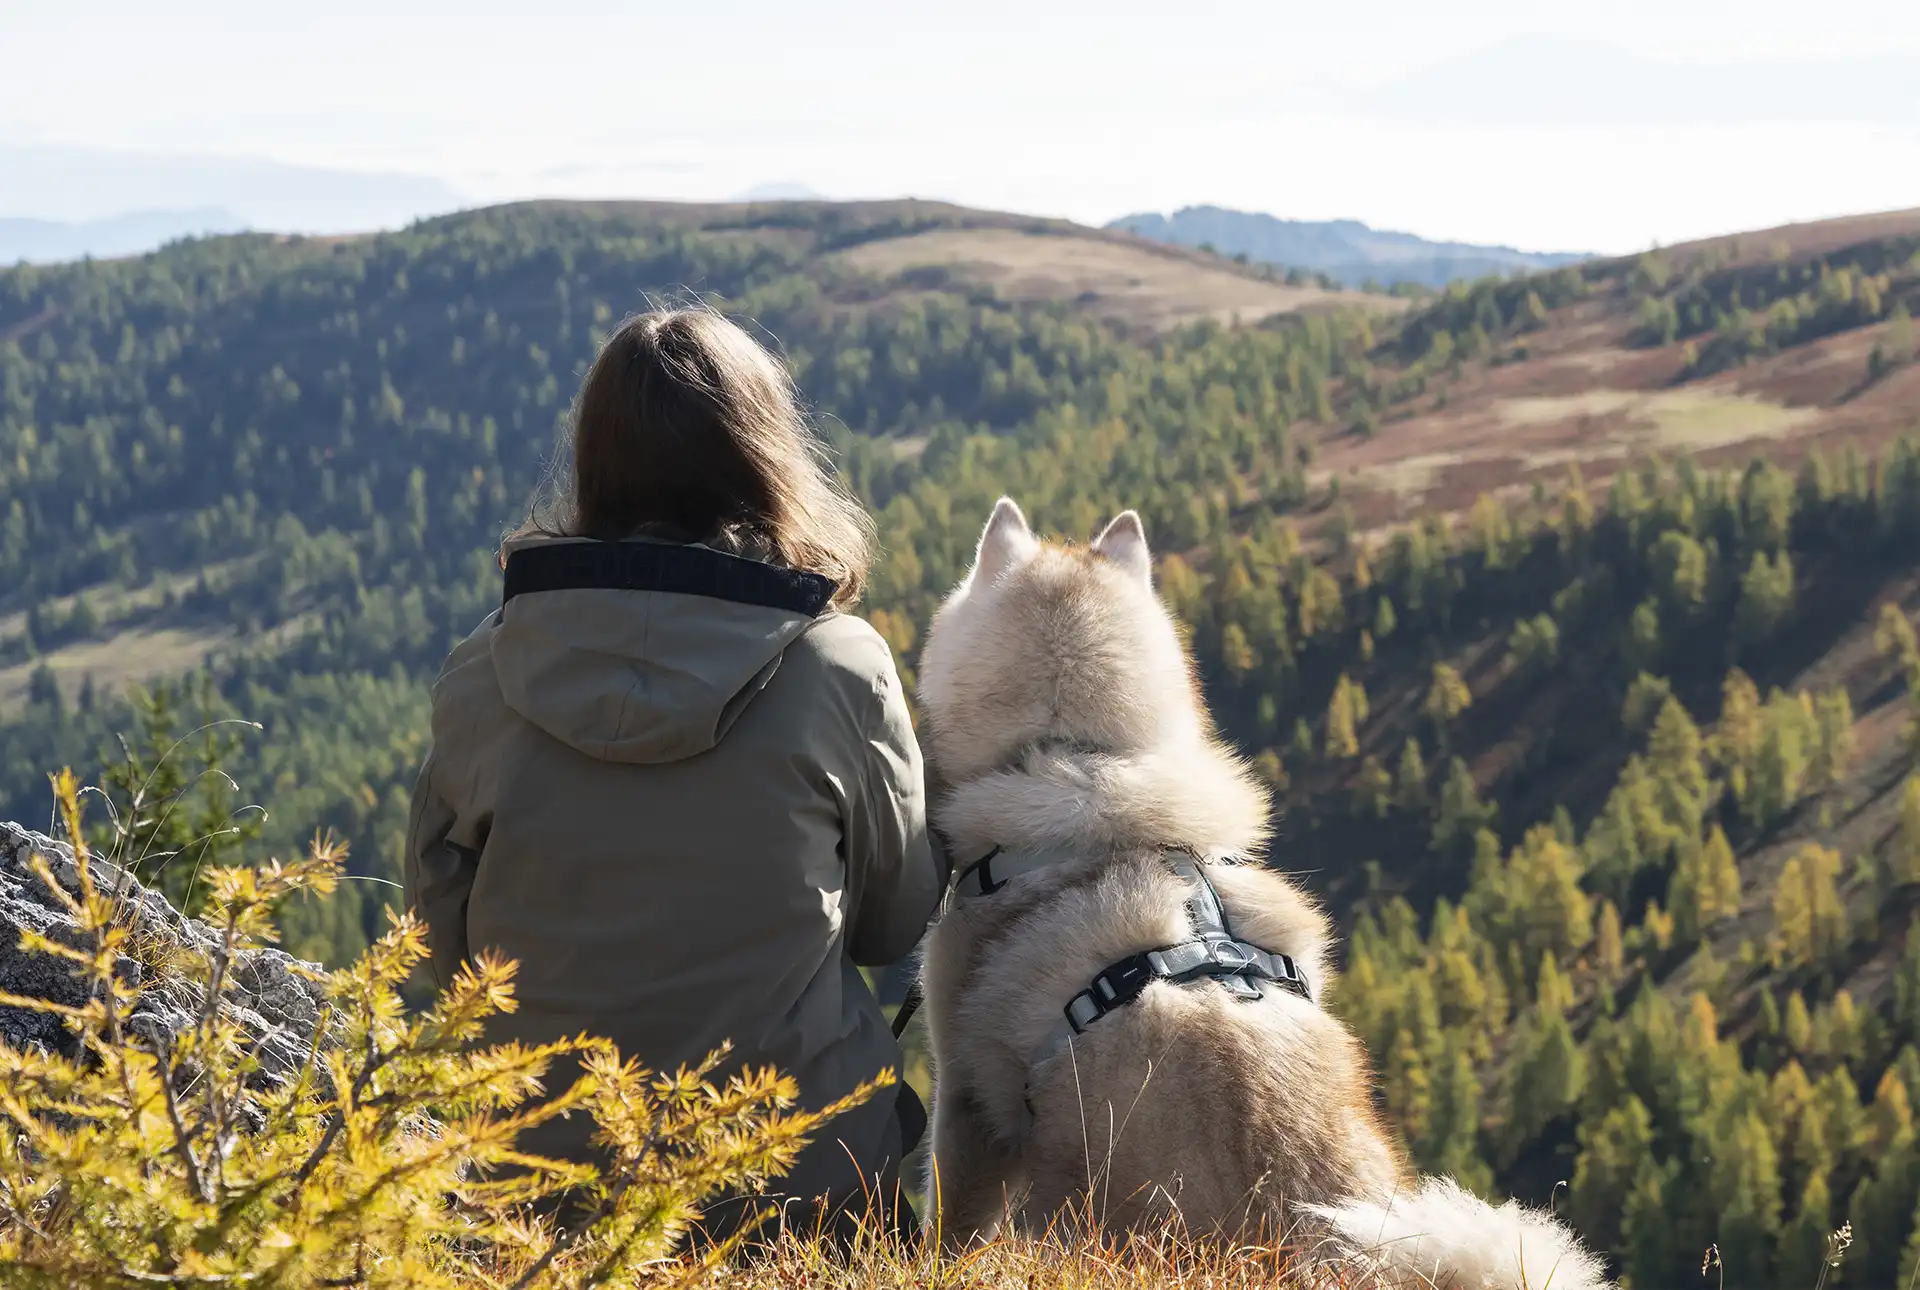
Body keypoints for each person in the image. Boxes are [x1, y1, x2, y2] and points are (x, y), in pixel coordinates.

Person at [404, 306, 944, 1244]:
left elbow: (439, 941)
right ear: (767, 460)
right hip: (792, 1194)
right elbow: (892, 925)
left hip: (531, 1201)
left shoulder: (482, 670)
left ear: (595, 466)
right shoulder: (840, 667)